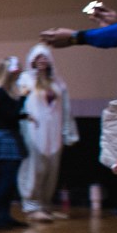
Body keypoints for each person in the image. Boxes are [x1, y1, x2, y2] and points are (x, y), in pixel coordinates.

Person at [18, 44, 77, 223]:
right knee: (35, 169)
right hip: (34, 131)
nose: (42, 60)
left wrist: (68, 131)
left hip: (54, 132)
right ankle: (31, 205)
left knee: (51, 170)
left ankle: (44, 205)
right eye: (38, 57)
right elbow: (20, 104)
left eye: (44, 57)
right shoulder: (26, 79)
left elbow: (65, 107)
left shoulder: (57, 82)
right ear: (32, 60)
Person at [0, 57, 28, 230]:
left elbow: (10, 115)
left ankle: (4, 216)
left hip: (9, 135)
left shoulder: (6, 92)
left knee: (10, 180)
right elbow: (8, 115)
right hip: (4, 137)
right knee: (6, 180)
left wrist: (24, 115)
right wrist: (23, 99)